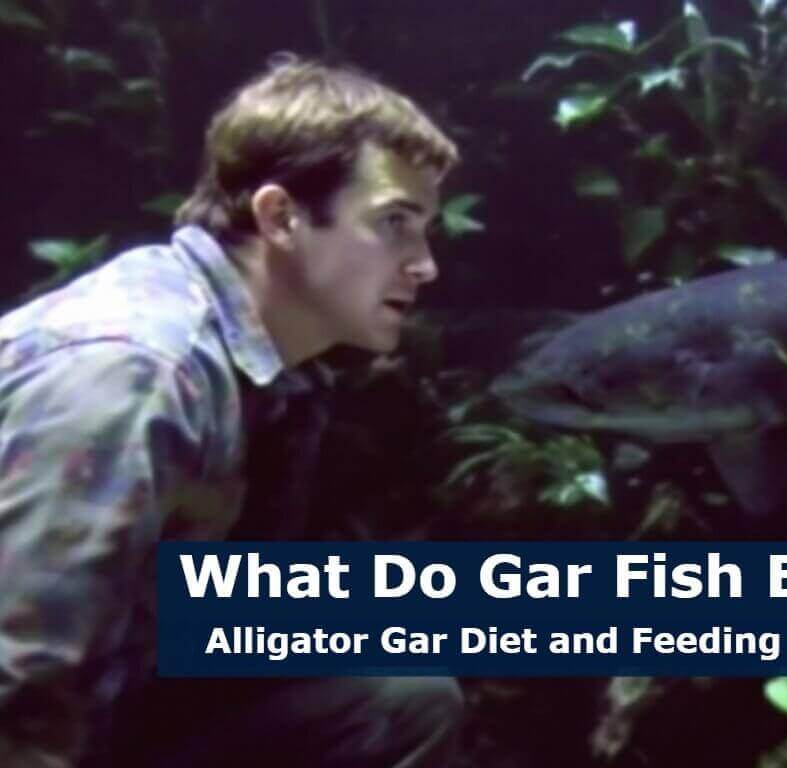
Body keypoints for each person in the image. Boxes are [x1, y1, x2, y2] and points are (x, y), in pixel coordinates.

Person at [0, 56, 465, 766]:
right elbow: (23, 676)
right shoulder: (140, 370)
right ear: (280, 216)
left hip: (124, 702)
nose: (425, 263)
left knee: (402, 693)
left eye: (425, 227)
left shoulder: (265, 368)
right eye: (394, 223)